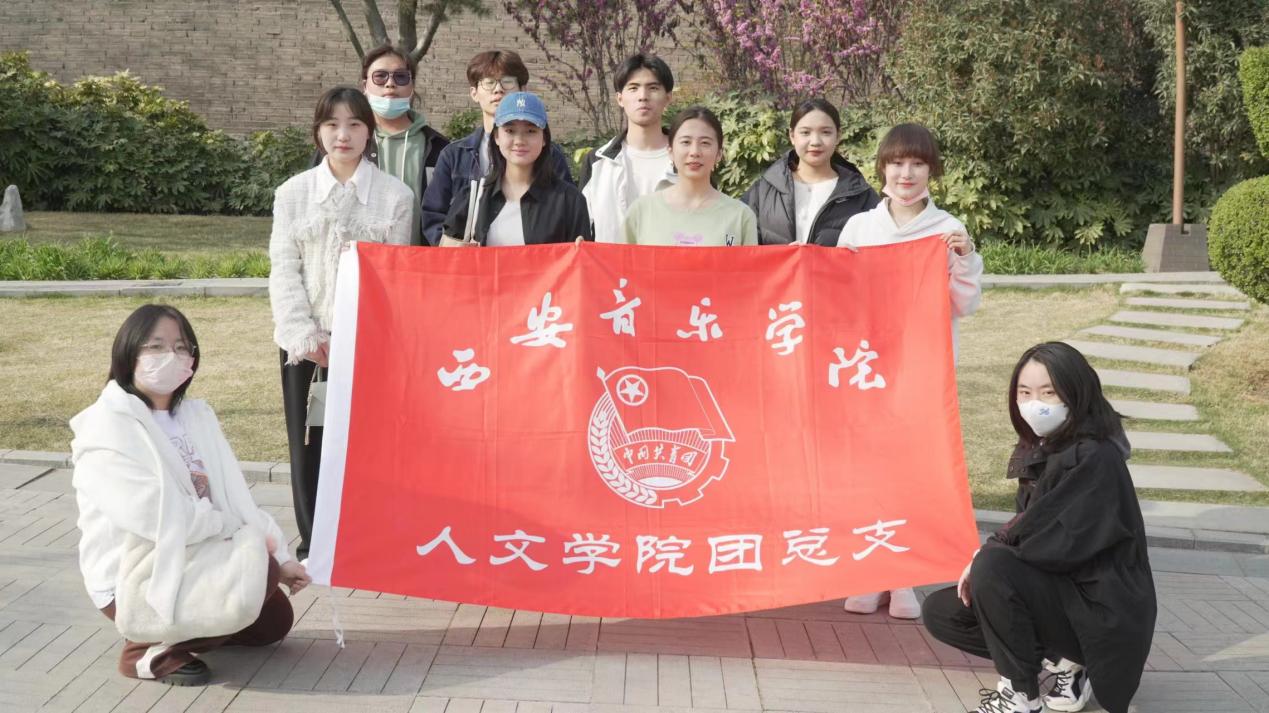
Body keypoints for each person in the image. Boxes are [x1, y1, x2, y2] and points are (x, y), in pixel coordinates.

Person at [70, 304, 309, 686]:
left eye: (182, 347)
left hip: (199, 551)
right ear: (128, 354)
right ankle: (145, 651)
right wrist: (240, 538)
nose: (172, 356)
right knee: (255, 570)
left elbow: (235, 497)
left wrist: (280, 557)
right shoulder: (106, 425)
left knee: (273, 621)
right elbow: (154, 517)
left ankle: (192, 624)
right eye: (156, 346)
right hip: (137, 572)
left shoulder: (196, 417)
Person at [921, 342, 1155, 713]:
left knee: (994, 568)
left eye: (1049, 392)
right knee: (944, 612)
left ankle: (1021, 696)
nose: (1035, 404)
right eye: (1025, 392)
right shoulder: (1044, 447)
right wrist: (990, 556)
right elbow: (1029, 529)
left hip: (1099, 609)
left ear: (1076, 393)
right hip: (1064, 595)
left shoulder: (1095, 457)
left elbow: (1052, 541)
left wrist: (987, 556)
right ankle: (1064, 662)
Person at [838, 122, 983, 619]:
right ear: (882, 167)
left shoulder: (947, 229)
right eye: (897, 163)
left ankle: (904, 578)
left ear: (931, 171)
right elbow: (839, 298)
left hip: (922, 372)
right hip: (867, 370)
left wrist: (965, 258)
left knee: (911, 474)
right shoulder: (860, 228)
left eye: (917, 163)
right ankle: (868, 573)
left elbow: (964, 304)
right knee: (868, 472)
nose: (906, 173)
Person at [270, 86, 414, 560]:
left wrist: (358, 339)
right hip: (305, 344)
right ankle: (314, 542)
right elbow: (283, 269)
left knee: (365, 442)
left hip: (367, 344)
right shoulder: (293, 194)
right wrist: (305, 335)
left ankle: (362, 537)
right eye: (332, 124)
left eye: (354, 124)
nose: (343, 135)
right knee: (308, 442)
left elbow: (394, 277)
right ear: (318, 132)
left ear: (370, 133)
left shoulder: (395, 196)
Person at [421, 50, 575, 245]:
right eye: (489, 83)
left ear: (523, 90)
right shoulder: (454, 155)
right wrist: (452, 248)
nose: (498, 90)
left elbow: (566, 211)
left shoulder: (549, 154)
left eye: (507, 82)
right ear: (474, 93)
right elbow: (433, 214)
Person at [309, 45, 450, 245]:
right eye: (380, 76)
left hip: (419, 258)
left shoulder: (438, 148)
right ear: (365, 85)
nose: (390, 84)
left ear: (412, 85)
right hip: (355, 258)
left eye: (401, 77)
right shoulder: (342, 144)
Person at [443, 92, 591, 245]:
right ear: (496, 136)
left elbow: (581, 259)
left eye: (531, 131)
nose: (519, 141)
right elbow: (445, 254)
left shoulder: (570, 201)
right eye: (510, 131)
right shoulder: (473, 196)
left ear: (544, 138)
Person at [741, 98, 879, 245]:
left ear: (838, 136)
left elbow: (879, 246)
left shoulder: (860, 195)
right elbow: (742, 246)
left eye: (826, 132)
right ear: (792, 136)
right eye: (805, 132)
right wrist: (783, 254)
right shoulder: (762, 192)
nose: (815, 142)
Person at [623, 106, 758, 246]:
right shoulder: (641, 211)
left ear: (719, 154)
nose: (694, 152)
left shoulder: (740, 216)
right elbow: (623, 260)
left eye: (705, 143)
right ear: (670, 151)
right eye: (686, 142)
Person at [579, 53, 677, 243]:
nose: (643, 96)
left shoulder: (687, 159)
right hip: (611, 262)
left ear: (668, 97)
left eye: (653, 88)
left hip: (672, 262)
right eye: (633, 88)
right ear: (620, 98)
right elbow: (581, 232)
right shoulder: (597, 162)